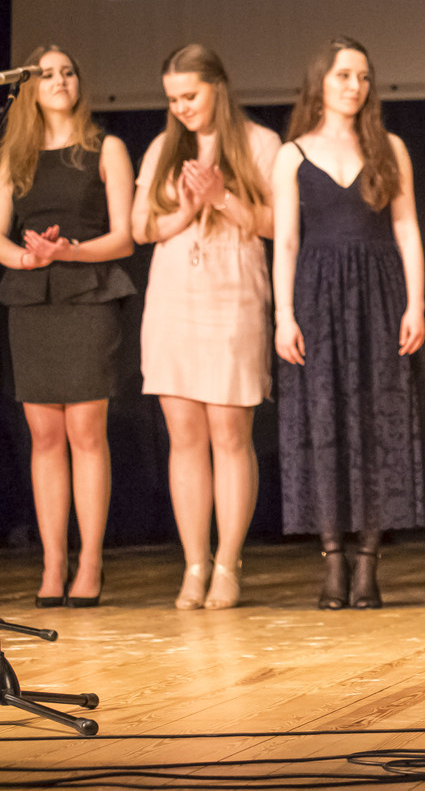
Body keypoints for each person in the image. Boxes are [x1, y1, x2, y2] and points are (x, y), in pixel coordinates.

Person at [273, 37, 425, 609]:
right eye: (343, 75)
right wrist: (283, 314)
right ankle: (332, 557)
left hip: (379, 292)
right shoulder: (292, 155)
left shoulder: (390, 147)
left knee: (376, 420)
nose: (354, 86)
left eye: (362, 76)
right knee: (323, 420)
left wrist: (416, 304)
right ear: (321, 81)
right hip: (316, 293)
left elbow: (407, 228)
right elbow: (286, 240)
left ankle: (368, 562)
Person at [133, 44, 278, 610]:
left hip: (233, 297)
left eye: (190, 96)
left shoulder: (260, 143)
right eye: (173, 99)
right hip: (174, 299)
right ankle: (194, 564)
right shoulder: (163, 148)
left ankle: (227, 564)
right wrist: (189, 210)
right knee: (185, 436)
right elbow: (140, 228)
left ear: (218, 87)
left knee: (229, 434)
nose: (182, 108)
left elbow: (278, 224)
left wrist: (222, 198)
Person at [0, 45, 134, 607]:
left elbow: (124, 237)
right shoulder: (14, 155)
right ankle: (53, 564)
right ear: (29, 88)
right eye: (48, 74)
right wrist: (27, 258)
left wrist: (70, 252)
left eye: (68, 72)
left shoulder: (106, 148)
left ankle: (91, 563)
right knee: (45, 437)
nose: (59, 81)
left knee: (85, 433)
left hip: (87, 294)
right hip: (33, 298)